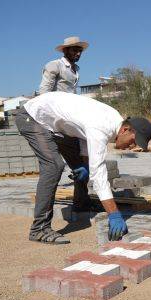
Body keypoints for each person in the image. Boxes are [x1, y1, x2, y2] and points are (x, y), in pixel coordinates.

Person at [16, 91, 151, 244]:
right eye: (134, 141)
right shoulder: (102, 128)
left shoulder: (113, 120)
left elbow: (83, 135)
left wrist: (84, 165)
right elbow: (98, 174)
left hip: (58, 126)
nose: (133, 146)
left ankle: (81, 204)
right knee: (54, 166)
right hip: (33, 117)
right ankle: (39, 229)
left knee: (84, 164)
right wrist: (114, 214)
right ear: (125, 130)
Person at [38, 36, 89, 207]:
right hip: (54, 121)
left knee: (80, 164)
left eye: (79, 50)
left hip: (68, 120)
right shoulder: (54, 65)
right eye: (74, 50)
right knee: (54, 167)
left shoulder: (76, 69)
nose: (78, 53)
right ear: (65, 50)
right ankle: (45, 210)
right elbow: (44, 92)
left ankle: (81, 203)